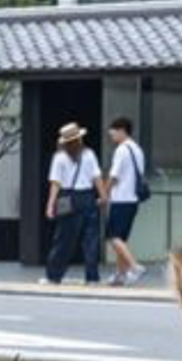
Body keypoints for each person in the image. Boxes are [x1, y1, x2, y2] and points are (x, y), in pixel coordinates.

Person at [42, 122, 105, 285]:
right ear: (80, 139)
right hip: (87, 197)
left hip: (66, 197)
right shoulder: (89, 154)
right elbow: (96, 177)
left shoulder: (59, 157)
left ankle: (54, 276)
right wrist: (103, 196)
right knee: (90, 239)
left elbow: (55, 183)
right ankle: (92, 278)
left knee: (63, 238)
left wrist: (50, 205)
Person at [104, 117, 147, 286]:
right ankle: (120, 275)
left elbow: (114, 176)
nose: (112, 137)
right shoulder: (137, 149)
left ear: (122, 130)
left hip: (121, 198)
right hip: (133, 199)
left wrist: (104, 194)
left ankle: (134, 267)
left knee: (113, 236)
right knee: (121, 238)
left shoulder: (122, 150)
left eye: (113, 133)